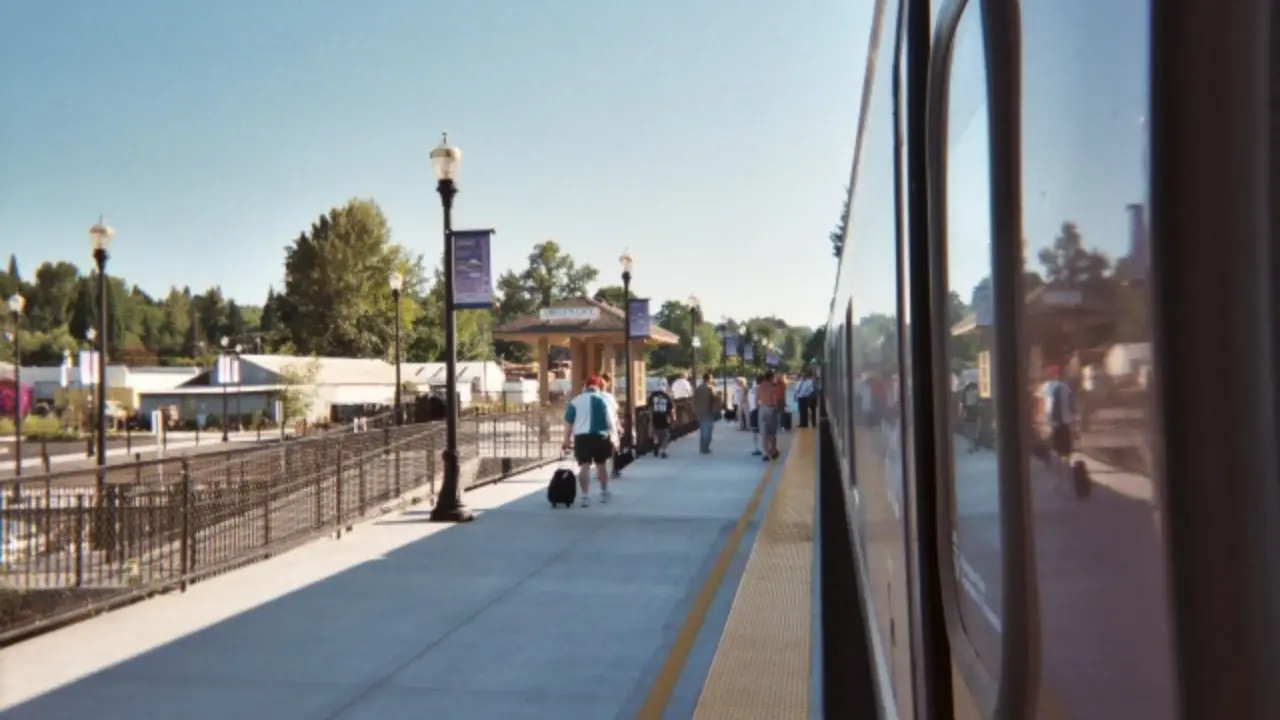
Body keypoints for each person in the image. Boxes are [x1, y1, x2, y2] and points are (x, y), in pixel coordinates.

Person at [562, 375, 616, 507]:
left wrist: (566, 440)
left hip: (581, 437)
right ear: (598, 387)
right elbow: (610, 422)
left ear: (585, 386)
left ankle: (585, 496)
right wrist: (614, 436)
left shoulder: (575, 401)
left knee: (584, 467)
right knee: (601, 465)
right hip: (600, 436)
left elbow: (569, 423)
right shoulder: (603, 400)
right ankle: (604, 493)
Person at [692, 373, 721, 454]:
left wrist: (694, 410)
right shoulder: (710, 388)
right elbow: (715, 398)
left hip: (699, 412)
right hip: (708, 411)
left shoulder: (697, 388)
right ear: (709, 379)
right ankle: (705, 448)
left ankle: (702, 447)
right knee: (708, 431)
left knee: (702, 430)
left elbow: (693, 400)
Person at [756, 370, 782, 460]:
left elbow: (757, 398)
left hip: (762, 408)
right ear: (771, 378)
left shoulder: (760, 386)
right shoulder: (772, 386)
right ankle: (773, 451)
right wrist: (777, 408)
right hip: (771, 409)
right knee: (772, 432)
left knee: (764, 433)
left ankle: (765, 453)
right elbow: (775, 399)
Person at [647, 380, 674, 458]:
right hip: (664, 418)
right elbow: (671, 409)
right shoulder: (667, 396)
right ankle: (662, 450)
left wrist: (650, 416)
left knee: (655, 432)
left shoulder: (653, 395)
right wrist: (673, 419)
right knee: (666, 435)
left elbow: (649, 407)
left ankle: (656, 442)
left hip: (655, 417)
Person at [748, 374, 763, 456]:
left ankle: (756, 447)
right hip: (758, 410)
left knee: (754, 431)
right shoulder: (759, 389)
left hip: (752, 410)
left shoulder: (751, 389)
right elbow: (758, 401)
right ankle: (763, 447)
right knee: (762, 430)